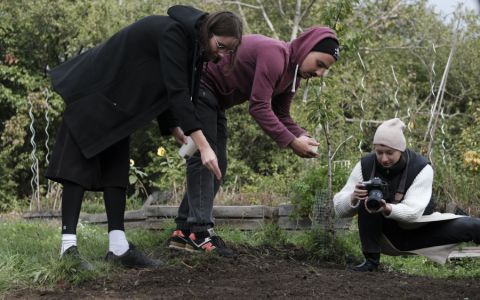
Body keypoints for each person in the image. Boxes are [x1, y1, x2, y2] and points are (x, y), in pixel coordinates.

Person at [46, 5, 243, 269]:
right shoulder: (174, 34)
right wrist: (204, 146)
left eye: (229, 51)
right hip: (94, 89)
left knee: (116, 171)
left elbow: (171, 87)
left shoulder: (196, 48)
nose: (222, 55)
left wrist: (174, 126)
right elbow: (177, 92)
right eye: (221, 46)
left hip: (119, 102)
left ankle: (118, 248)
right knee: (77, 166)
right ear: (209, 32)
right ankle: (67, 250)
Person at [167, 27, 340, 256]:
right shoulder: (275, 55)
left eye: (325, 69)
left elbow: (282, 115)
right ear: (307, 49)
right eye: (319, 64)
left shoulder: (292, 77)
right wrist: (291, 142)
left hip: (215, 100)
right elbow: (258, 107)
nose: (320, 73)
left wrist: (301, 135)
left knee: (218, 165)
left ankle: (183, 231)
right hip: (201, 86)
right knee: (204, 159)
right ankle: (199, 234)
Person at [333, 118, 480, 272]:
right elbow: (338, 209)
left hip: (422, 229)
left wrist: (386, 207)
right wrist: (353, 197)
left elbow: (413, 213)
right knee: (367, 201)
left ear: (401, 149)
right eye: (379, 152)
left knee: (474, 226)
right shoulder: (365, 165)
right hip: (387, 236)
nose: (384, 158)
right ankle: (371, 262)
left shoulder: (421, 167)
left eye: (389, 153)